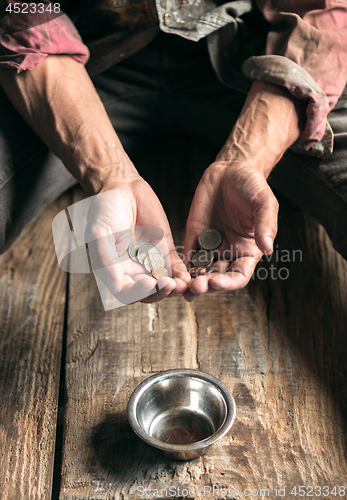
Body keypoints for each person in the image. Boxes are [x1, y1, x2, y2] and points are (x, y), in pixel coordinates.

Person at [0, 0, 347, 303]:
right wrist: (110, 174)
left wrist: (247, 158)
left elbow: (325, 14)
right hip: (77, 65)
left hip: (257, 61)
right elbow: (21, 14)